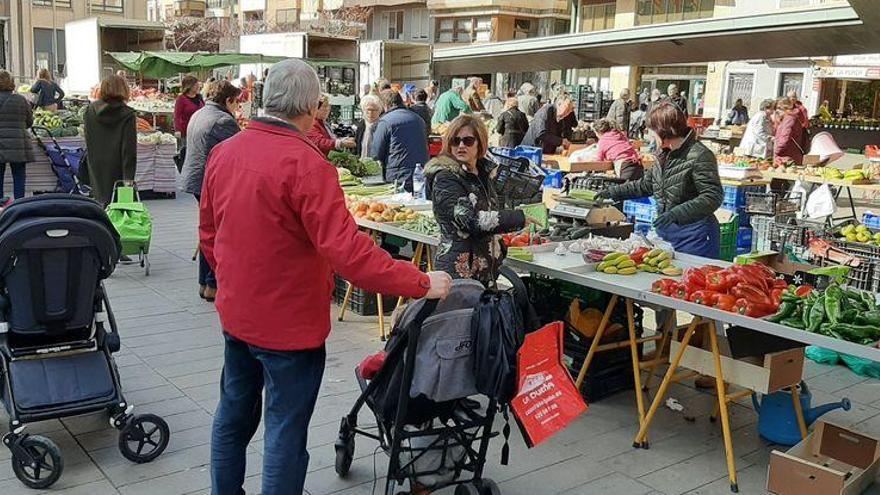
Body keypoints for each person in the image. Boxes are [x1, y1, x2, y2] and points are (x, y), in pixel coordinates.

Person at [202, 58, 451, 495]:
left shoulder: (226, 153)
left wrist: (234, 279)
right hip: (289, 326)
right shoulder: (308, 165)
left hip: (238, 314)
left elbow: (208, 233)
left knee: (233, 413)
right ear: (311, 106)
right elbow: (349, 254)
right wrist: (420, 281)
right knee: (284, 430)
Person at [597, 102, 723, 258]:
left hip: (696, 236)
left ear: (664, 131)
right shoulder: (663, 154)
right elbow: (646, 185)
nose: (650, 135)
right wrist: (612, 192)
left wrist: (676, 214)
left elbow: (712, 196)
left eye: (652, 131)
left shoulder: (700, 155)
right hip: (667, 234)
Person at [425, 115, 531, 284]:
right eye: (455, 140)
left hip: (486, 270)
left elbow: (510, 196)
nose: (460, 146)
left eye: (467, 141)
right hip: (459, 272)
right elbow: (470, 220)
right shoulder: (445, 178)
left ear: (479, 143)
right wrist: (517, 218)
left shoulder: (485, 173)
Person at [179, 81, 242, 302]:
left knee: (208, 229)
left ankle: (205, 283)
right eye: (237, 102)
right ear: (228, 101)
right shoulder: (224, 120)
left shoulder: (200, 113)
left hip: (196, 178)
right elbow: (238, 152)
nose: (238, 106)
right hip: (211, 181)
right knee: (218, 233)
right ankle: (213, 283)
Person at [83, 75, 137, 206]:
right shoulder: (128, 114)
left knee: (100, 204)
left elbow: (88, 139)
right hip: (118, 169)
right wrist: (129, 179)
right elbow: (128, 149)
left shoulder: (90, 110)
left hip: (96, 166)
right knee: (121, 207)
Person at [369, 89, 429, 191]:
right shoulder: (418, 119)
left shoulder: (385, 122)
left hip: (397, 176)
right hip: (420, 174)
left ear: (385, 105)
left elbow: (376, 153)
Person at [0, 70, 33, 199]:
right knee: (19, 175)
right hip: (18, 144)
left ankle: (1, 208)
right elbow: (29, 122)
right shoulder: (21, 100)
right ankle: (19, 206)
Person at [774, 97, 807, 166]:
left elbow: (785, 138)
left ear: (784, 108)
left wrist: (776, 151)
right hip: (789, 155)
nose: (776, 111)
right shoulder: (791, 117)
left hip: (786, 157)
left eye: (777, 109)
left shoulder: (789, 119)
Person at [354, 94, 383, 159]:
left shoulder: (382, 126)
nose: (370, 113)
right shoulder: (361, 126)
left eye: (374, 110)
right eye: (368, 110)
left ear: (379, 111)